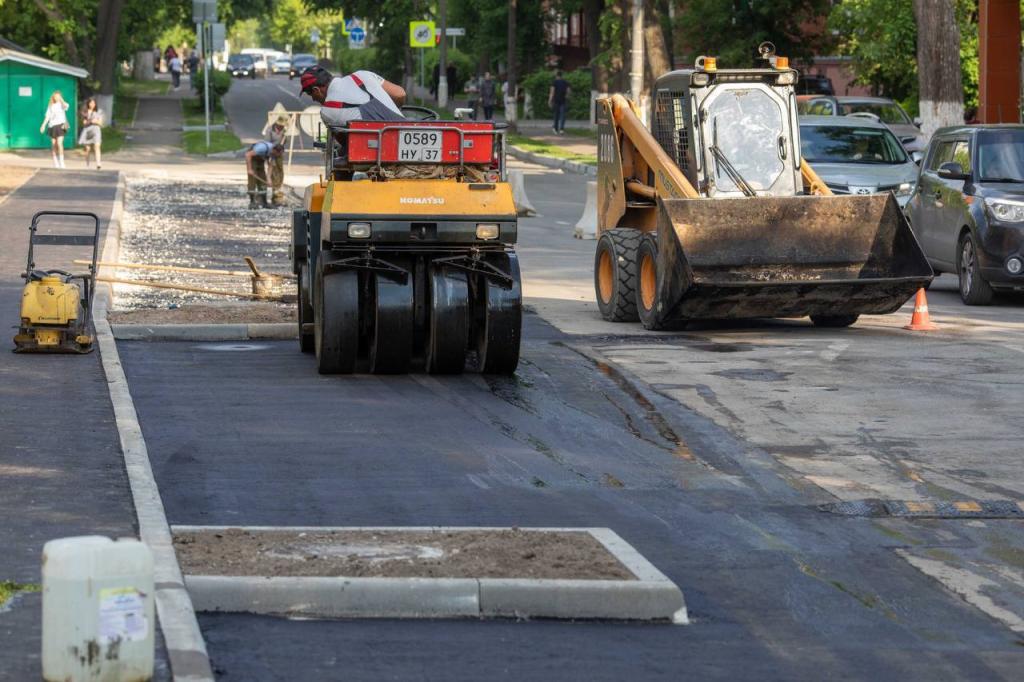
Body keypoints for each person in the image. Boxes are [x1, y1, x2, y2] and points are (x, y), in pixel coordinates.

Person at [299, 65, 406, 126]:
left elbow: (346, 145)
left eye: (310, 94)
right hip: (404, 133)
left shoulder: (327, 111)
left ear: (316, 90)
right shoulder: (362, 75)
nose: (313, 99)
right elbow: (400, 94)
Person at [245, 141, 284, 209]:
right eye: (278, 154)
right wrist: (249, 169)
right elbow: (248, 154)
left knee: (263, 180)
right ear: (274, 150)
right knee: (252, 181)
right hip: (252, 159)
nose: (278, 156)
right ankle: (252, 202)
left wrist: (268, 179)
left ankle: (264, 202)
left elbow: (271, 166)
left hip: (260, 161)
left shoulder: (274, 154)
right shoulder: (262, 148)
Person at [39, 90, 69, 168]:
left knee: (60, 143)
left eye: (58, 96)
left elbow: (66, 106)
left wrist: (61, 99)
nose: (57, 98)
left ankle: (62, 162)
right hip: (52, 126)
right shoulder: (50, 106)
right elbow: (47, 117)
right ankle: (56, 162)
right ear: (53, 97)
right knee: (53, 145)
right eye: (55, 96)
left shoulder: (62, 104)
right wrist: (43, 125)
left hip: (61, 125)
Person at [78, 97, 103, 169]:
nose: (92, 104)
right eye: (91, 103)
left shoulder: (99, 112)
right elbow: (84, 123)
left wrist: (97, 122)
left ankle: (98, 164)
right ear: (88, 104)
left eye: (94, 103)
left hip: (96, 130)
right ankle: (87, 164)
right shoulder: (85, 112)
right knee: (87, 149)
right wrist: (90, 121)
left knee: (97, 146)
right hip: (87, 130)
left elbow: (101, 123)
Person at [549, 70, 570, 134]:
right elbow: (568, 91)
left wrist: (550, 100)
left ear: (556, 75)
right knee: (562, 115)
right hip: (563, 100)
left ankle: (555, 129)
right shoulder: (565, 82)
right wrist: (567, 97)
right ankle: (561, 129)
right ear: (561, 75)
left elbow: (552, 92)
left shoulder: (554, 82)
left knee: (556, 115)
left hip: (556, 100)